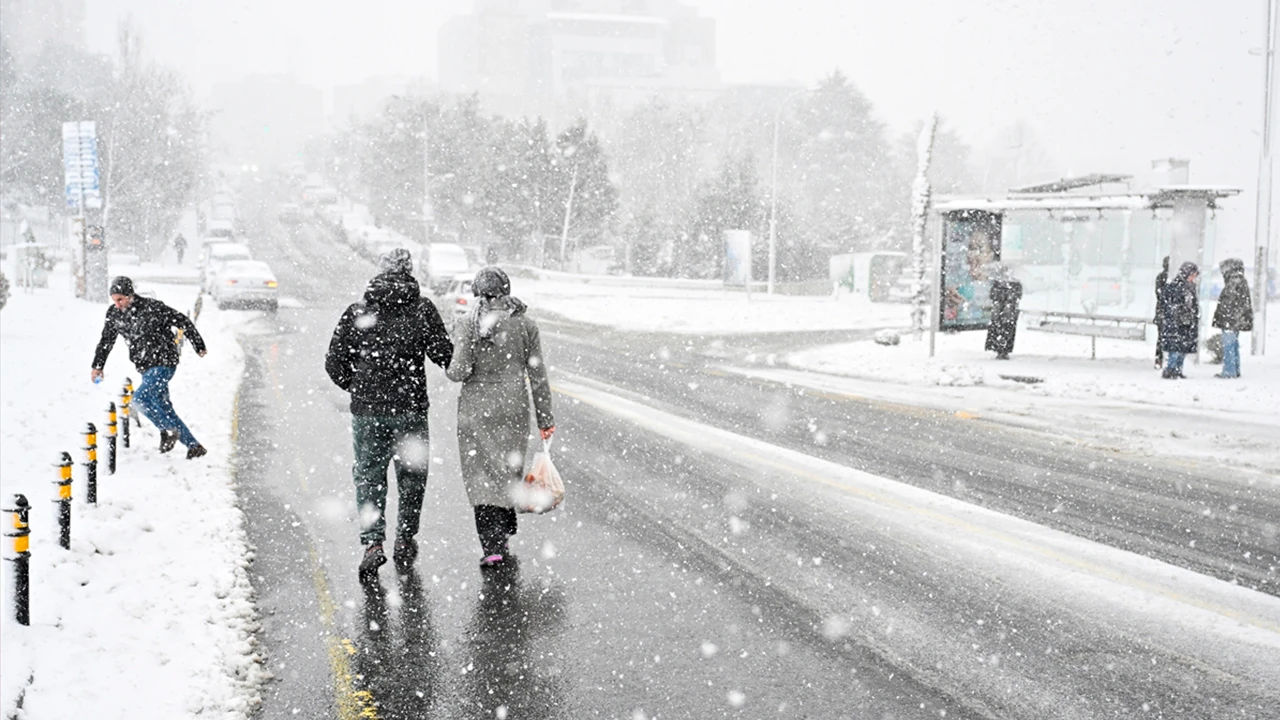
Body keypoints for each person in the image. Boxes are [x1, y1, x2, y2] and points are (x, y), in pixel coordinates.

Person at [325, 249, 453, 579]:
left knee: (369, 477)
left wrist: (357, 386)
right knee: (412, 478)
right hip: (410, 409)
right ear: (410, 272)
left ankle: (372, 544)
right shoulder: (422, 310)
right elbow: (444, 355)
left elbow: (334, 362)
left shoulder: (359, 311)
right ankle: (405, 539)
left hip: (369, 411)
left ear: (380, 271)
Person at [446, 267, 555, 567]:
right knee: (507, 469)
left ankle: (492, 546)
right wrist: (545, 418)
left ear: (478, 292)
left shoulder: (469, 324)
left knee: (482, 475)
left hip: (477, 408)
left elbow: (459, 371)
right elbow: (537, 374)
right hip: (514, 406)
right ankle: (504, 531)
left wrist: (451, 357)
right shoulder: (525, 324)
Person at [91, 276, 209, 458]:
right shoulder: (115, 314)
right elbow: (106, 341)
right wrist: (98, 366)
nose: (117, 304)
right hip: (145, 367)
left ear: (130, 295)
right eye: (114, 300)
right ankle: (194, 446)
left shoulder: (152, 307)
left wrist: (198, 344)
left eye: (120, 299)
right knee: (163, 407)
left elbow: (182, 321)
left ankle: (167, 429)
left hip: (164, 363)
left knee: (139, 400)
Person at [1211, 257, 1254, 379]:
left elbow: (1228, 303)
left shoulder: (1234, 281)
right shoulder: (1241, 280)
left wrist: (1223, 317)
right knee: (1233, 345)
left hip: (1230, 320)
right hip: (1235, 320)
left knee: (1229, 346)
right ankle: (1235, 369)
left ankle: (1229, 371)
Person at [1159, 261, 1200, 380]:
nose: (1193, 278)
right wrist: (1180, 313)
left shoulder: (1190, 287)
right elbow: (1169, 304)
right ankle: (1171, 369)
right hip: (1177, 323)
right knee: (1176, 348)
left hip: (1186, 322)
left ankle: (1177, 369)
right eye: (1192, 275)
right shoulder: (1175, 286)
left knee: (1182, 348)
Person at [984, 263, 1022, 360]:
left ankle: (1000, 348)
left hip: (1001, 313)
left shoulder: (999, 283)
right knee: (1006, 328)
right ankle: (1003, 349)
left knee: (1001, 328)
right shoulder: (1014, 284)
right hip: (1007, 314)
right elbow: (1017, 296)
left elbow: (992, 295)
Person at [1153, 256, 1170, 369]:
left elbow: (1159, 294)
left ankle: (1159, 359)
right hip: (1166, 312)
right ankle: (1163, 359)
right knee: (1165, 337)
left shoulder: (1161, 277)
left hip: (1161, 311)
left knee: (1161, 338)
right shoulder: (1169, 278)